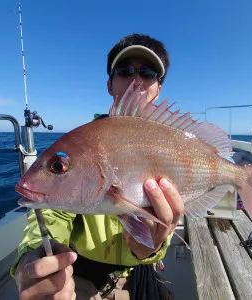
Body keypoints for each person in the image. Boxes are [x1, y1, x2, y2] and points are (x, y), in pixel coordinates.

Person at [11, 34, 183, 299]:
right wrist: (29, 261)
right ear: (110, 84)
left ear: (158, 88)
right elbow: (50, 216)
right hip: (82, 273)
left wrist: (150, 247)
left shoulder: (174, 141)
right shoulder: (81, 145)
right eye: (124, 71)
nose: (135, 80)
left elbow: (168, 221)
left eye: (147, 73)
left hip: (141, 271)